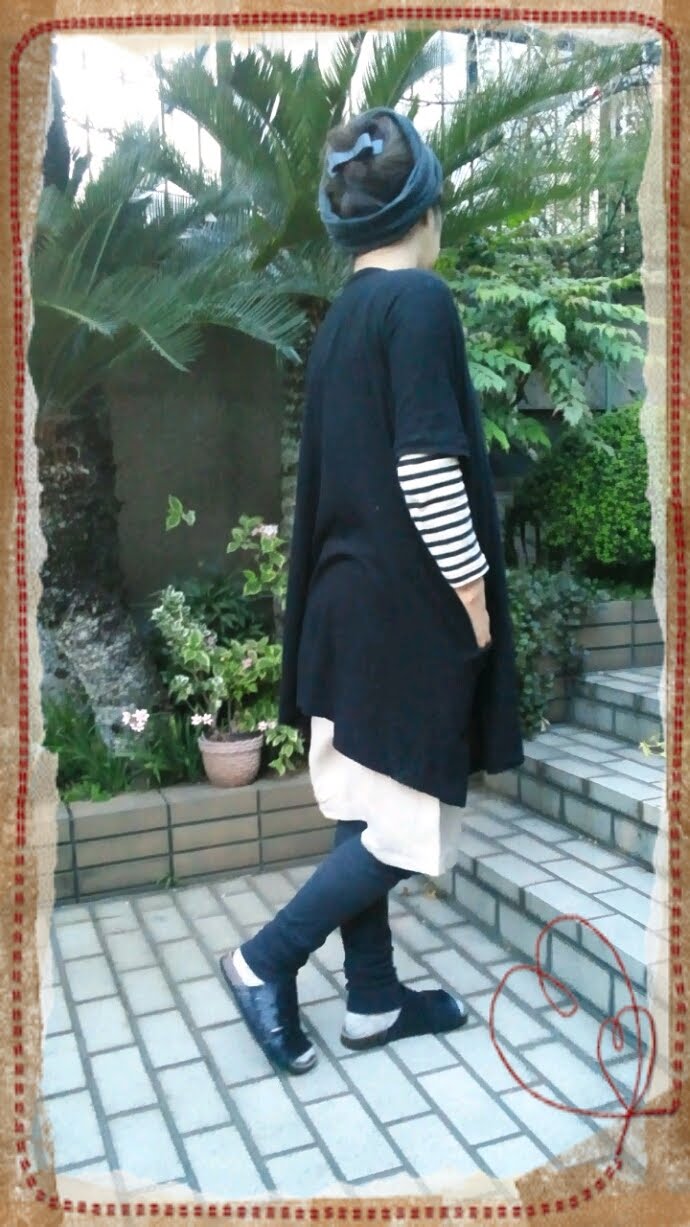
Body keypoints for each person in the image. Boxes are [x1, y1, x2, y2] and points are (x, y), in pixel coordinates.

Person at [220, 106, 524, 1075]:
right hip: (401, 618)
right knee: (402, 824)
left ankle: (374, 999)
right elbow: (428, 469)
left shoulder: (345, 318)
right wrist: (473, 598)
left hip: (343, 610)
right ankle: (263, 961)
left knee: (366, 807)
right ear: (425, 208)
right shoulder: (420, 301)